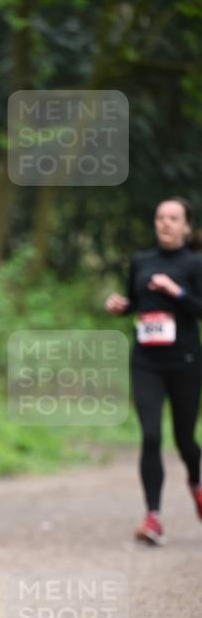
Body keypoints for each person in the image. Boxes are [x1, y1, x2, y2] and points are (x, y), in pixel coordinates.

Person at [105, 197, 202, 544]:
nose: (165, 223)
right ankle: (153, 518)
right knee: (150, 436)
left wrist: (175, 290)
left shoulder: (195, 263)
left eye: (174, 218)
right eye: (160, 217)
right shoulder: (141, 261)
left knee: (185, 439)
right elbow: (137, 301)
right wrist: (122, 306)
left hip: (185, 362)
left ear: (187, 226)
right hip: (147, 361)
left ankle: (197, 481)